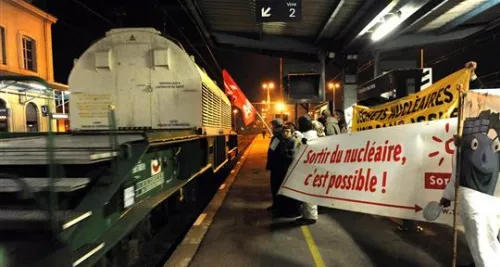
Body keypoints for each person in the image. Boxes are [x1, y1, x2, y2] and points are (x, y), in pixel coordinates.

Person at [438, 62, 500, 267]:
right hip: (481, 196)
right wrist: (472, 78)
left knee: (484, 238)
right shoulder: (465, 143)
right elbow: (484, 102)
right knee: (484, 238)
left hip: (487, 197)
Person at [294, 115, 320, 225]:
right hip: (307, 167)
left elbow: (305, 148)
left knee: (308, 193)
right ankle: (306, 215)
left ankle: (311, 216)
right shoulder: (310, 135)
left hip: (308, 167)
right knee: (305, 193)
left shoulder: (308, 136)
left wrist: (300, 138)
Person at [265, 119, 288, 213]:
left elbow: (272, 150)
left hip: (276, 166)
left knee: (275, 186)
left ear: (275, 127)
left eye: (272, 126)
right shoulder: (283, 135)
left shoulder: (277, 137)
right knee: (278, 186)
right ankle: (278, 205)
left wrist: (270, 163)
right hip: (281, 166)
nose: (271, 128)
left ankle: (277, 206)